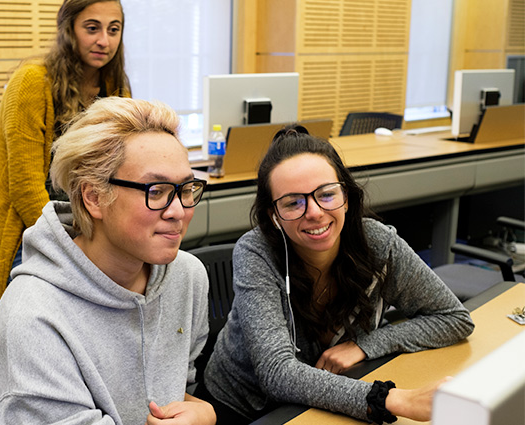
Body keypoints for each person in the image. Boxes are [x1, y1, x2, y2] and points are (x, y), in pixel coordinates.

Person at [0, 97, 216, 425]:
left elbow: (175, 389)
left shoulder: (186, 277)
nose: (178, 211)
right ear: (94, 197)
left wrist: (203, 411)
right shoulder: (35, 317)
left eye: (186, 188)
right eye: (156, 191)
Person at [198, 125, 475, 424]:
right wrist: (394, 399)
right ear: (273, 216)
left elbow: (453, 318)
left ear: (346, 194)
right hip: (243, 409)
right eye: (293, 202)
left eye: (326, 194)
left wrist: (364, 345)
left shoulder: (378, 244)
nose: (315, 212)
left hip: (329, 399)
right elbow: (277, 372)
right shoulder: (256, 252)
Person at [0, 0, 131, 313]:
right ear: (69, 30)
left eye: (113, 30)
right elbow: (25, 187)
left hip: (94, 232)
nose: (104, 40)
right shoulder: (32, 82)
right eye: (92, 28)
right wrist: (74, 245)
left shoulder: (115, 85)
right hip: (37, 234)